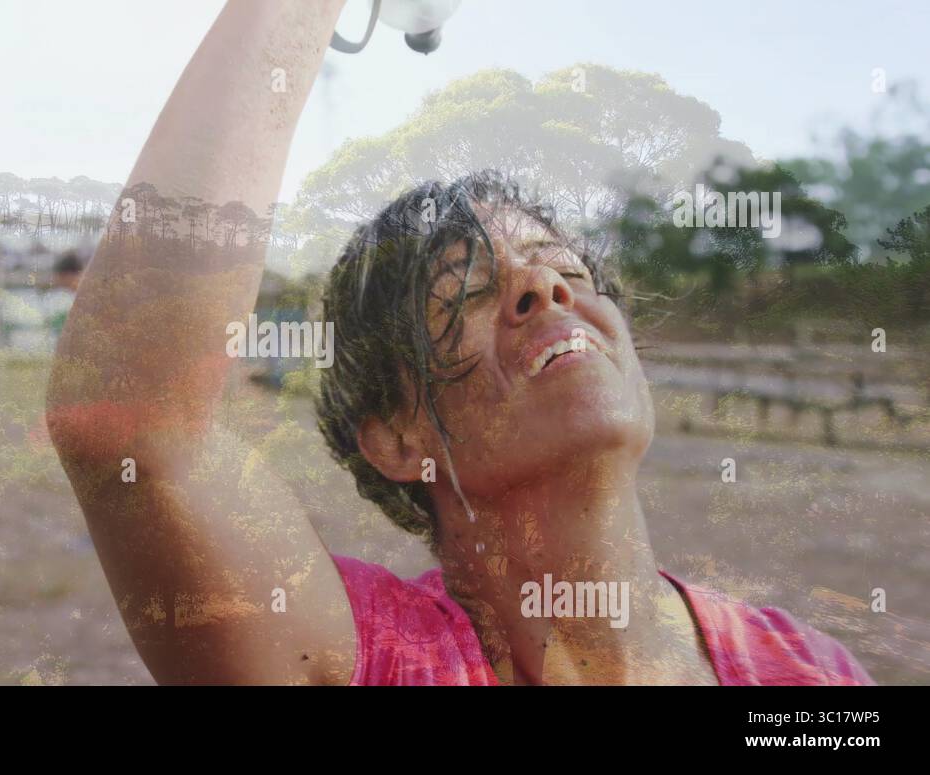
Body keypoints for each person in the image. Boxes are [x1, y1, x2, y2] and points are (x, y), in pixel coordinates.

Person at [46, 1, 873, 685]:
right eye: (475, 294)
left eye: (567, 271)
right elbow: (127, 421)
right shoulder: (369, 657)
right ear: (399, 437)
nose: (546, 290)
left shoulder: (807, 675)